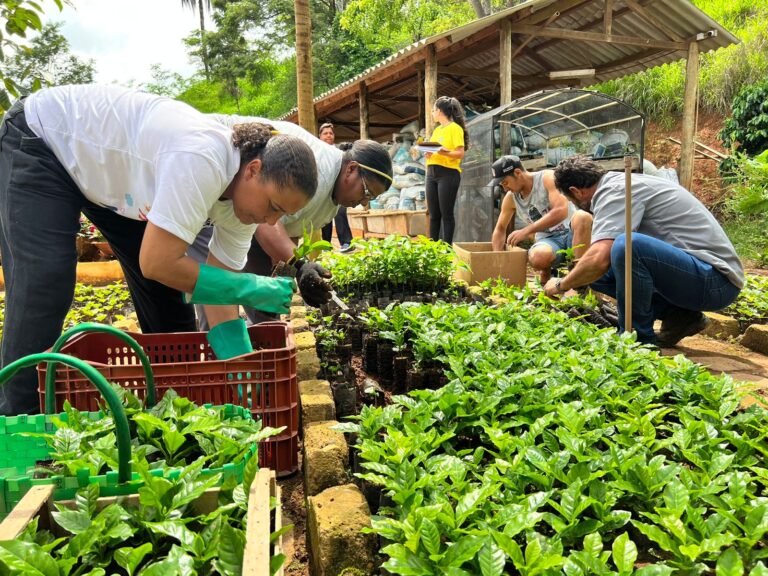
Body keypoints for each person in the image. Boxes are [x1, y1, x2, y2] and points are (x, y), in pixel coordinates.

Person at [0, 84, 318, 416]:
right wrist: (251, 287)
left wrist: (245, 389)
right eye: (272, 206)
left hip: (108, 181)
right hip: (43, 139)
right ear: (253, 170)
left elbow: (218, 296)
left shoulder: (245, 208)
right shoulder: (203, 158)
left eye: (281, 215)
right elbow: (156, 262)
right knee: (45, 281)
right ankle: (16, 423)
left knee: (169, 311)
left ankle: (170, 414)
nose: (270, 220)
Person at [188, 114, 393, 329]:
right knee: (212, 286)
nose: (363, 202)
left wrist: (293, 272)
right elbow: (267, 224)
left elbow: (283, 226)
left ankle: (253, 342)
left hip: (244, 212)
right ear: (351, 169)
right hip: (207, 180)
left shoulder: (331, 199)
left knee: (261, 305)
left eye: (371, 198)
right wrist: (299, 266)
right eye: (366, 191)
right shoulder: (317, 172)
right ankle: (214, 346)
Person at [543, 155, 744, 347]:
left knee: (627, 246)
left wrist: (561, 285)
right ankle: (680, 317)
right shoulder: (617, 185)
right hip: (698, 277)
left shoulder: (614, 191)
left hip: (716, 282)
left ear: (576, 191)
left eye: (572, 200)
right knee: (595, 274)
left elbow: (599, 258)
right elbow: (595, 266)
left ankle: (638, 339)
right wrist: (579, 279)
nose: (575, 204)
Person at [490, 155, 592, 283]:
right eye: (501, 185)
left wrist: (526, 231)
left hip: (574, 232)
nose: (504, 188)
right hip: (549, 239)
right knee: (538, 257)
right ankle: (547, 273)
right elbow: (500, 228)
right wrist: (497, 258)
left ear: (517, 173)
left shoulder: (547, 177)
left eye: (505, 182)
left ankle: (578, 282)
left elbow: (560, 211)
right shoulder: (511, 198)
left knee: (583, 217)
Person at [425, 96, 468, 244]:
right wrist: (428, 152)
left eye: (433, 110)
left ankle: (446, 250)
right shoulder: (437, 130)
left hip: (448, 174)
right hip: (431, 173)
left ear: (440, 111)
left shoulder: (455, 129)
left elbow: (460, 153)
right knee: (433, 215)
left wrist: (442, 152)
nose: (432, 113)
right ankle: (432, 250)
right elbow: (434, 150)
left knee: (446, 214)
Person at [317, 122, 353, 252]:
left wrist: (347, 150)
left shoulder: (339, 150)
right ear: (320, 136)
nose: (328, 135)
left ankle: (346, 242)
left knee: (340, 212)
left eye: (331, 133)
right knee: (324, 216)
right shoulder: (317, 150)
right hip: (324, 187)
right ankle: (326, 245)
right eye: (325, 133)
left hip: (339, 187)